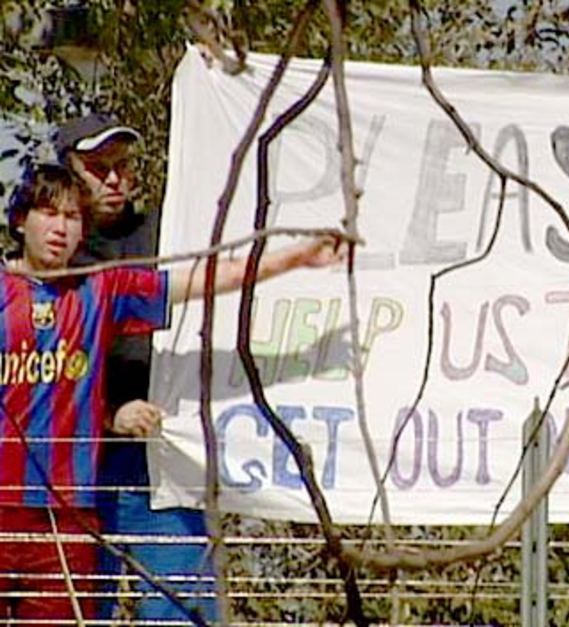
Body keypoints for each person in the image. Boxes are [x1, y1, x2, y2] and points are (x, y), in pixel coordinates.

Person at [0, 161, 345, 623]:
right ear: (21, 219)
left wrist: (293, 258)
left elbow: (202, 280)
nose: (60, 228)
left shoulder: (100, 289)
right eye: (48, 213)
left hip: (68, 516)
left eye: (72, 217)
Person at [55, 112, 219, 621]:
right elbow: (33, 374)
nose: (113, 179)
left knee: (182, 610)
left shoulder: (169, 236)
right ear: (67, 172)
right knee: (72, 609)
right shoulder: (49, 253)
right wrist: (109, 416)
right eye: (97, 167)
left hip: (166, 459)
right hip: (75, 468)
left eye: (122, 166)